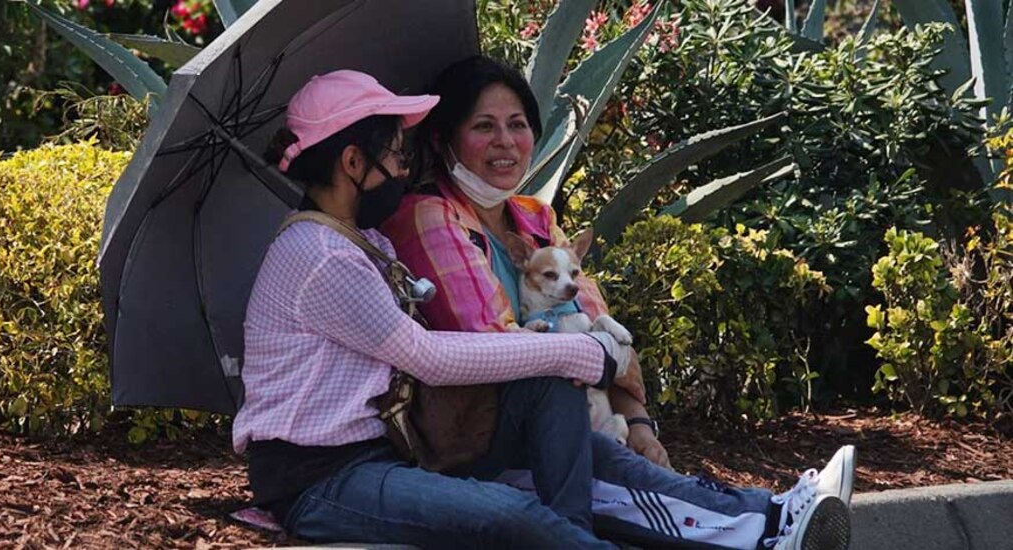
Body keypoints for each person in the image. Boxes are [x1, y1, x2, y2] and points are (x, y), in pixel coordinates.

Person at [235, 68, 853, 550]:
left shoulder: (360, 241)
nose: (404, 167)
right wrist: (581, 352)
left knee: (574, 425)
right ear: (351, 163)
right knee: (510, 516)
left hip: (399, 447)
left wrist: (580, 365)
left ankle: (771, 519)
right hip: (323, 479)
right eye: (395, 155)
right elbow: (426, 356)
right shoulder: (320, 255)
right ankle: (750, 530)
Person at [380, 55, 669, 468]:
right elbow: (496, 344)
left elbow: (604, 333)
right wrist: (597, 353)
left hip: (581, 422)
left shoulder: (537, 219)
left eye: (517, 124)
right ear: (442, 139)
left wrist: (639, 424)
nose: (506, 141)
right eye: (484, 126)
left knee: (656, 485)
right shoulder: (426, 215)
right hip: (495, 443)